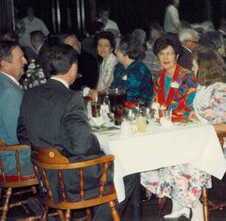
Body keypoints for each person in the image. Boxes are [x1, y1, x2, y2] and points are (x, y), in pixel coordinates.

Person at [17, 44, 140, 220]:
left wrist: (50, 154)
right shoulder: (70, 98)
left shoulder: (30, 94)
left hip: (45, 176)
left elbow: (22, 134)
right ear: (73, 68)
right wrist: (99, 145)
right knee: (129, 170)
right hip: (70, 175)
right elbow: (82, 146)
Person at [142, 47, 226, 221]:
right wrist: (196, 117)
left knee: (178, 164)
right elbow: (206, 116)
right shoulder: (204, 88)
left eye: (195, 66)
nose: (192, 69)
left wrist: (203, 126)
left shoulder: (222, 90)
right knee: (157, 157)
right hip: (201, 141)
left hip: (219, 146)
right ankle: (180, 204)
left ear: (206, 67)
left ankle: (196, 208)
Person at [0, 41, 32, 175]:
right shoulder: (9, 92)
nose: (25, 61)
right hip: (12, 162)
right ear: (4, 64)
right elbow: (18, 136)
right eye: (20, 58)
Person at [152, 36, 198, 119]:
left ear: (176, 56)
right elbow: (154, 103)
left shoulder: (188, 77)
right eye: (161, 54)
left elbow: (193, 107)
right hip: (161, 121)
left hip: (184, 123)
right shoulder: (156, 78)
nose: (165, 58)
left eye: (170, 53)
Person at [111, 35, 153, 104]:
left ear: (124, 51)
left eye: (116, 49)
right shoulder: (119, 67)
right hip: (119, 106)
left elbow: (129, 98)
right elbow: (113, 89)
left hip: (136, 110)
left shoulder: (138, 70)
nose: (115, 52)